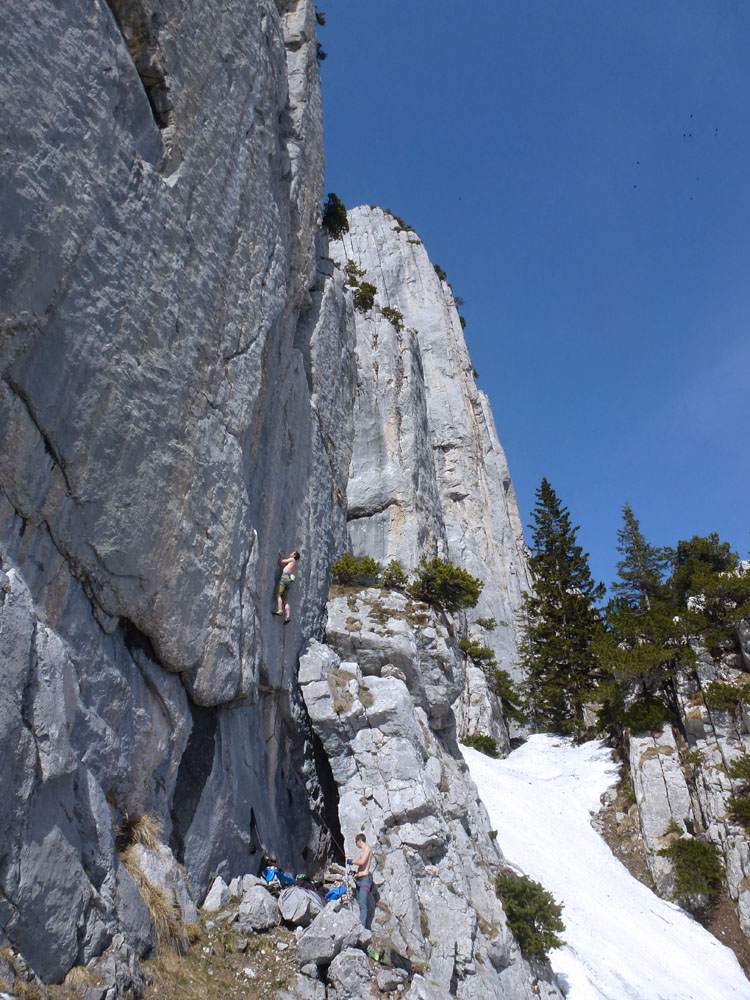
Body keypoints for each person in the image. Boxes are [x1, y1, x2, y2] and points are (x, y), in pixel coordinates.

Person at [350, 833, 373, 929]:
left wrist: (352, 861)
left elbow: (362, 862)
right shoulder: (363, 851)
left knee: (363, 904)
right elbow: (362, 866)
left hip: (365, 880)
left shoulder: (367, 849)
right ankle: (363, 925)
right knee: (360, 903)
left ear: (360, 841)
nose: (356, 845)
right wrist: (356, 872)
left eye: (356, 843)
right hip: (360, 879)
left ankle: (362, 928)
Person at [274, 550, 300, 623]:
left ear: (294, 555)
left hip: (285, 577)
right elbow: (286, 568)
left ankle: (280, 610)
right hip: (289, 581)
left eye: (292, 553)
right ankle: (288, 617)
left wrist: (281, 557)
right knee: (285, 601)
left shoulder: (292, 559)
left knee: (277, 595)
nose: (290, 553)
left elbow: (281, 561)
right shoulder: (294, 565)